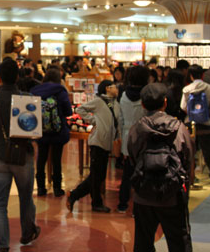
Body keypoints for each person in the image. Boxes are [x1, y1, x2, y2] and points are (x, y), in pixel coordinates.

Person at [0, 59, 40, 251]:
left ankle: (3, 245)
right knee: (26, 197)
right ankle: (27, 232)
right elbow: (34, 131)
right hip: (22, 157)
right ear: (17, 77)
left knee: (0, 203)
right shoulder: (27, 99)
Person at [127, 83, 193, 252]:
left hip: (143, 193)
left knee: (143, 242)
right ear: (165, 102)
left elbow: (133, 157)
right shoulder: (178, 128)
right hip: (172, 193)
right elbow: (188, 159)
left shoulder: (137, 128)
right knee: (179, 241)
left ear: (142, 104)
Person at [67, 80, 121, 213]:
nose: (117, 89)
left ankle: (75, 195)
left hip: (107, 143)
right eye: (114, 87)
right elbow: (80, 109)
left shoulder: (116, 103)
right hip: (97, 142)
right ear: (108, 88)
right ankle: (94, 202)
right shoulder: (98, 101)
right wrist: (93, 120)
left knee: (98, 176)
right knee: (96, 176)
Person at [30, 67, 73, 197]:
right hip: (57, 132)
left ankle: (41, 188)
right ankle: (57, 188)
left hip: (40, 131)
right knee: (56, 160)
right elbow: (68, 111)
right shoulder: (61, 91)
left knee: (41, 159)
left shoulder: (35, 91)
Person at [117, 66, 149, 213]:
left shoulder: (123, 95)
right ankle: (140, 206)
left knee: (127, 173)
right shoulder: (146, 94)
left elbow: (120, 119)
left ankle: (122, 204)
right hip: (143, 136)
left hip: (127, 136)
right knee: (143, 173)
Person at [181, 65, 210, 185]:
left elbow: (182, 106)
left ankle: (190, 175)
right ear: (202, 75)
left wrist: (192, 113)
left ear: (191, 75)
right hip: (206, 122)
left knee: (190, 150)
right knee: (208, 149)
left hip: (190, 122)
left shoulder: (187, 89)